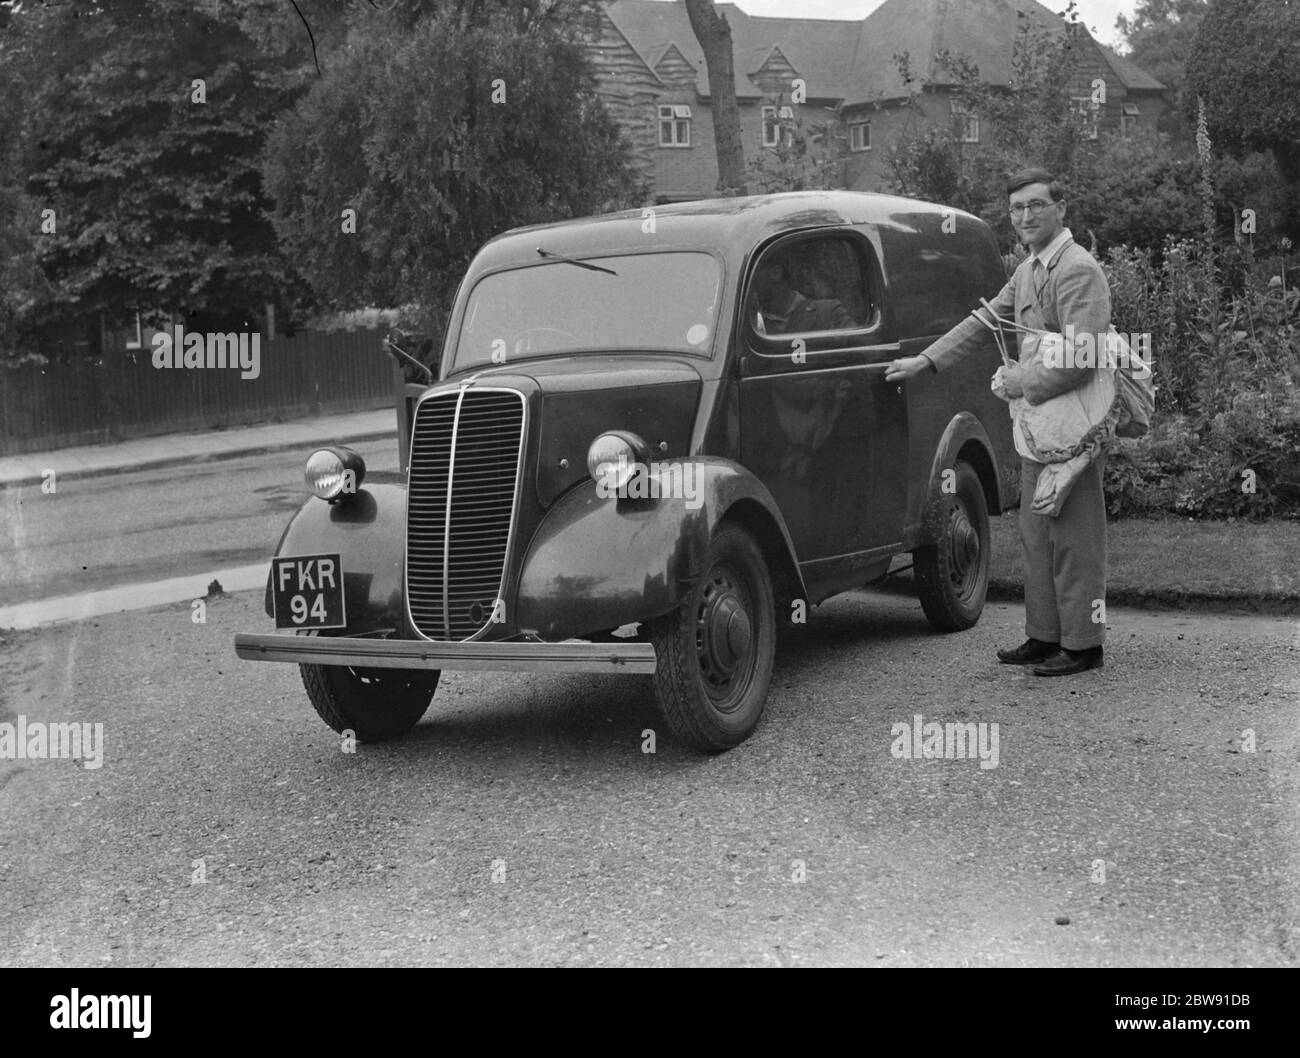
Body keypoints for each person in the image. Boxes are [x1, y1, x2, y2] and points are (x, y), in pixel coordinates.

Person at [885, 168, 1111, 676]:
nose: (1025, 217)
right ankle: (1044, 636)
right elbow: (984, 319)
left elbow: (1082, 357)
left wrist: (1021, 383)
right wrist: (925, 362)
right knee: (1037, 533)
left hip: (1074, 427)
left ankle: (1083, 644)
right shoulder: (1031, 268)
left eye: (1035, 206)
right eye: (1017, 209)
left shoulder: (1077, 269)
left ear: (1061, 208)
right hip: (1041, 428)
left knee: (1075, 537)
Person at [753, 258, 857, 334]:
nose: (750, 284)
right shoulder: (750, 323)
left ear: (776, 273)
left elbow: (860, 348)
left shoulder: (829, 314)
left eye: (753, 273)